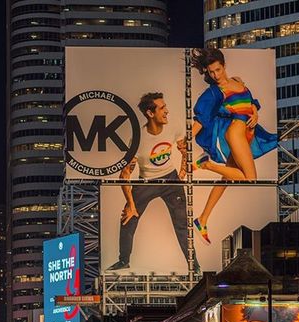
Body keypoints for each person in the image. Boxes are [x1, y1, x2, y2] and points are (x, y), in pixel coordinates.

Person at [190, 48, 278, 245]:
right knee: (250, 179)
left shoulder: (238, 82)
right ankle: (206, 165)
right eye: (211, 72)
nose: (215, 75)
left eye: (218, 70)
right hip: (236, 133)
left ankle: (202, 219)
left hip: (246, 134)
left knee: (227, 178)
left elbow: (250, 103)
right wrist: (188, 138)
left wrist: (255, 114)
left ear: (224, 66)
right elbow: (201, 119)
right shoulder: (215, 92)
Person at [107, 92, 196, 272]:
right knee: (127, 218)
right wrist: (131, 205)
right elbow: (124, 175)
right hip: (147, 181)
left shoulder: (174, 126)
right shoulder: (137, 140)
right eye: (162, 108)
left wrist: (181, 172)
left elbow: (185, 151)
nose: (167, 111)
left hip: (170, 179)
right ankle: (124, 260)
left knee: (182, 223)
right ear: (150, 113)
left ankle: (194, 264)